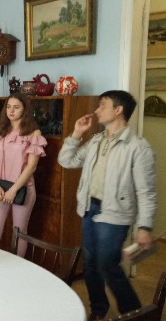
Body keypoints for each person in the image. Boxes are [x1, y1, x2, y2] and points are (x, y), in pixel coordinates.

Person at [57, 90, 156, 320]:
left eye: (103, 105)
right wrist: (76, 134)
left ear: (119, 110)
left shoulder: (138, 147)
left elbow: (147, 192)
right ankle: (98, 310)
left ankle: (133, 313)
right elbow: (67, 160)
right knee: (91, 264)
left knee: (107, 265)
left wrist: (145, 227)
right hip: (88, 209)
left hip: (115, 214)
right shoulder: (95, 140)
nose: (97, 110)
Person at [0, 92, 46, 255]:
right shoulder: (1, 132)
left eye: (16, 107)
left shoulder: (34, 133)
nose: (11, 111)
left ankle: (18, 269)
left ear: (25, 110)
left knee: (19, 234)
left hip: (22, 189)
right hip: (0, 188)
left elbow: (31, 167)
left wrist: (13, 190)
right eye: (8, 107)